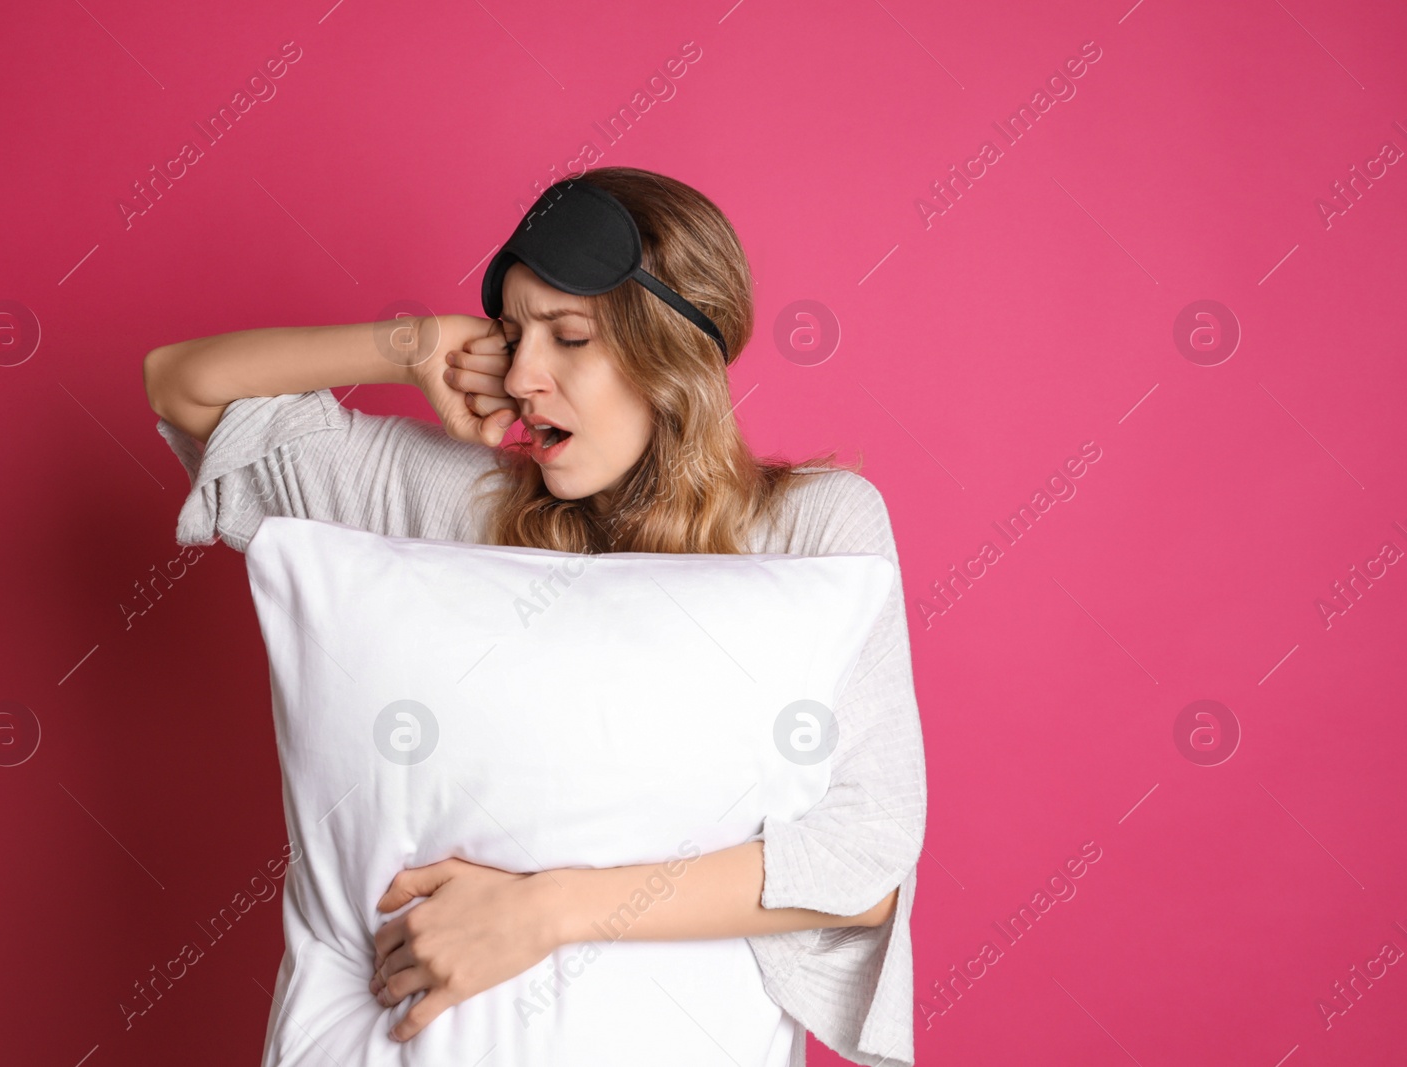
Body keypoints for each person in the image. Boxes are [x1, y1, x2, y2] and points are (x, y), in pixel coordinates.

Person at [144, 166, 926, 1067]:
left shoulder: (812, 528)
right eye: (513, 336)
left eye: (569, 337)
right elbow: (181, 386)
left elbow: (865, 859)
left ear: (672, 352)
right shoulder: (459, 505)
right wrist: (413, 343)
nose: (522, 376)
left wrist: (541, 911)